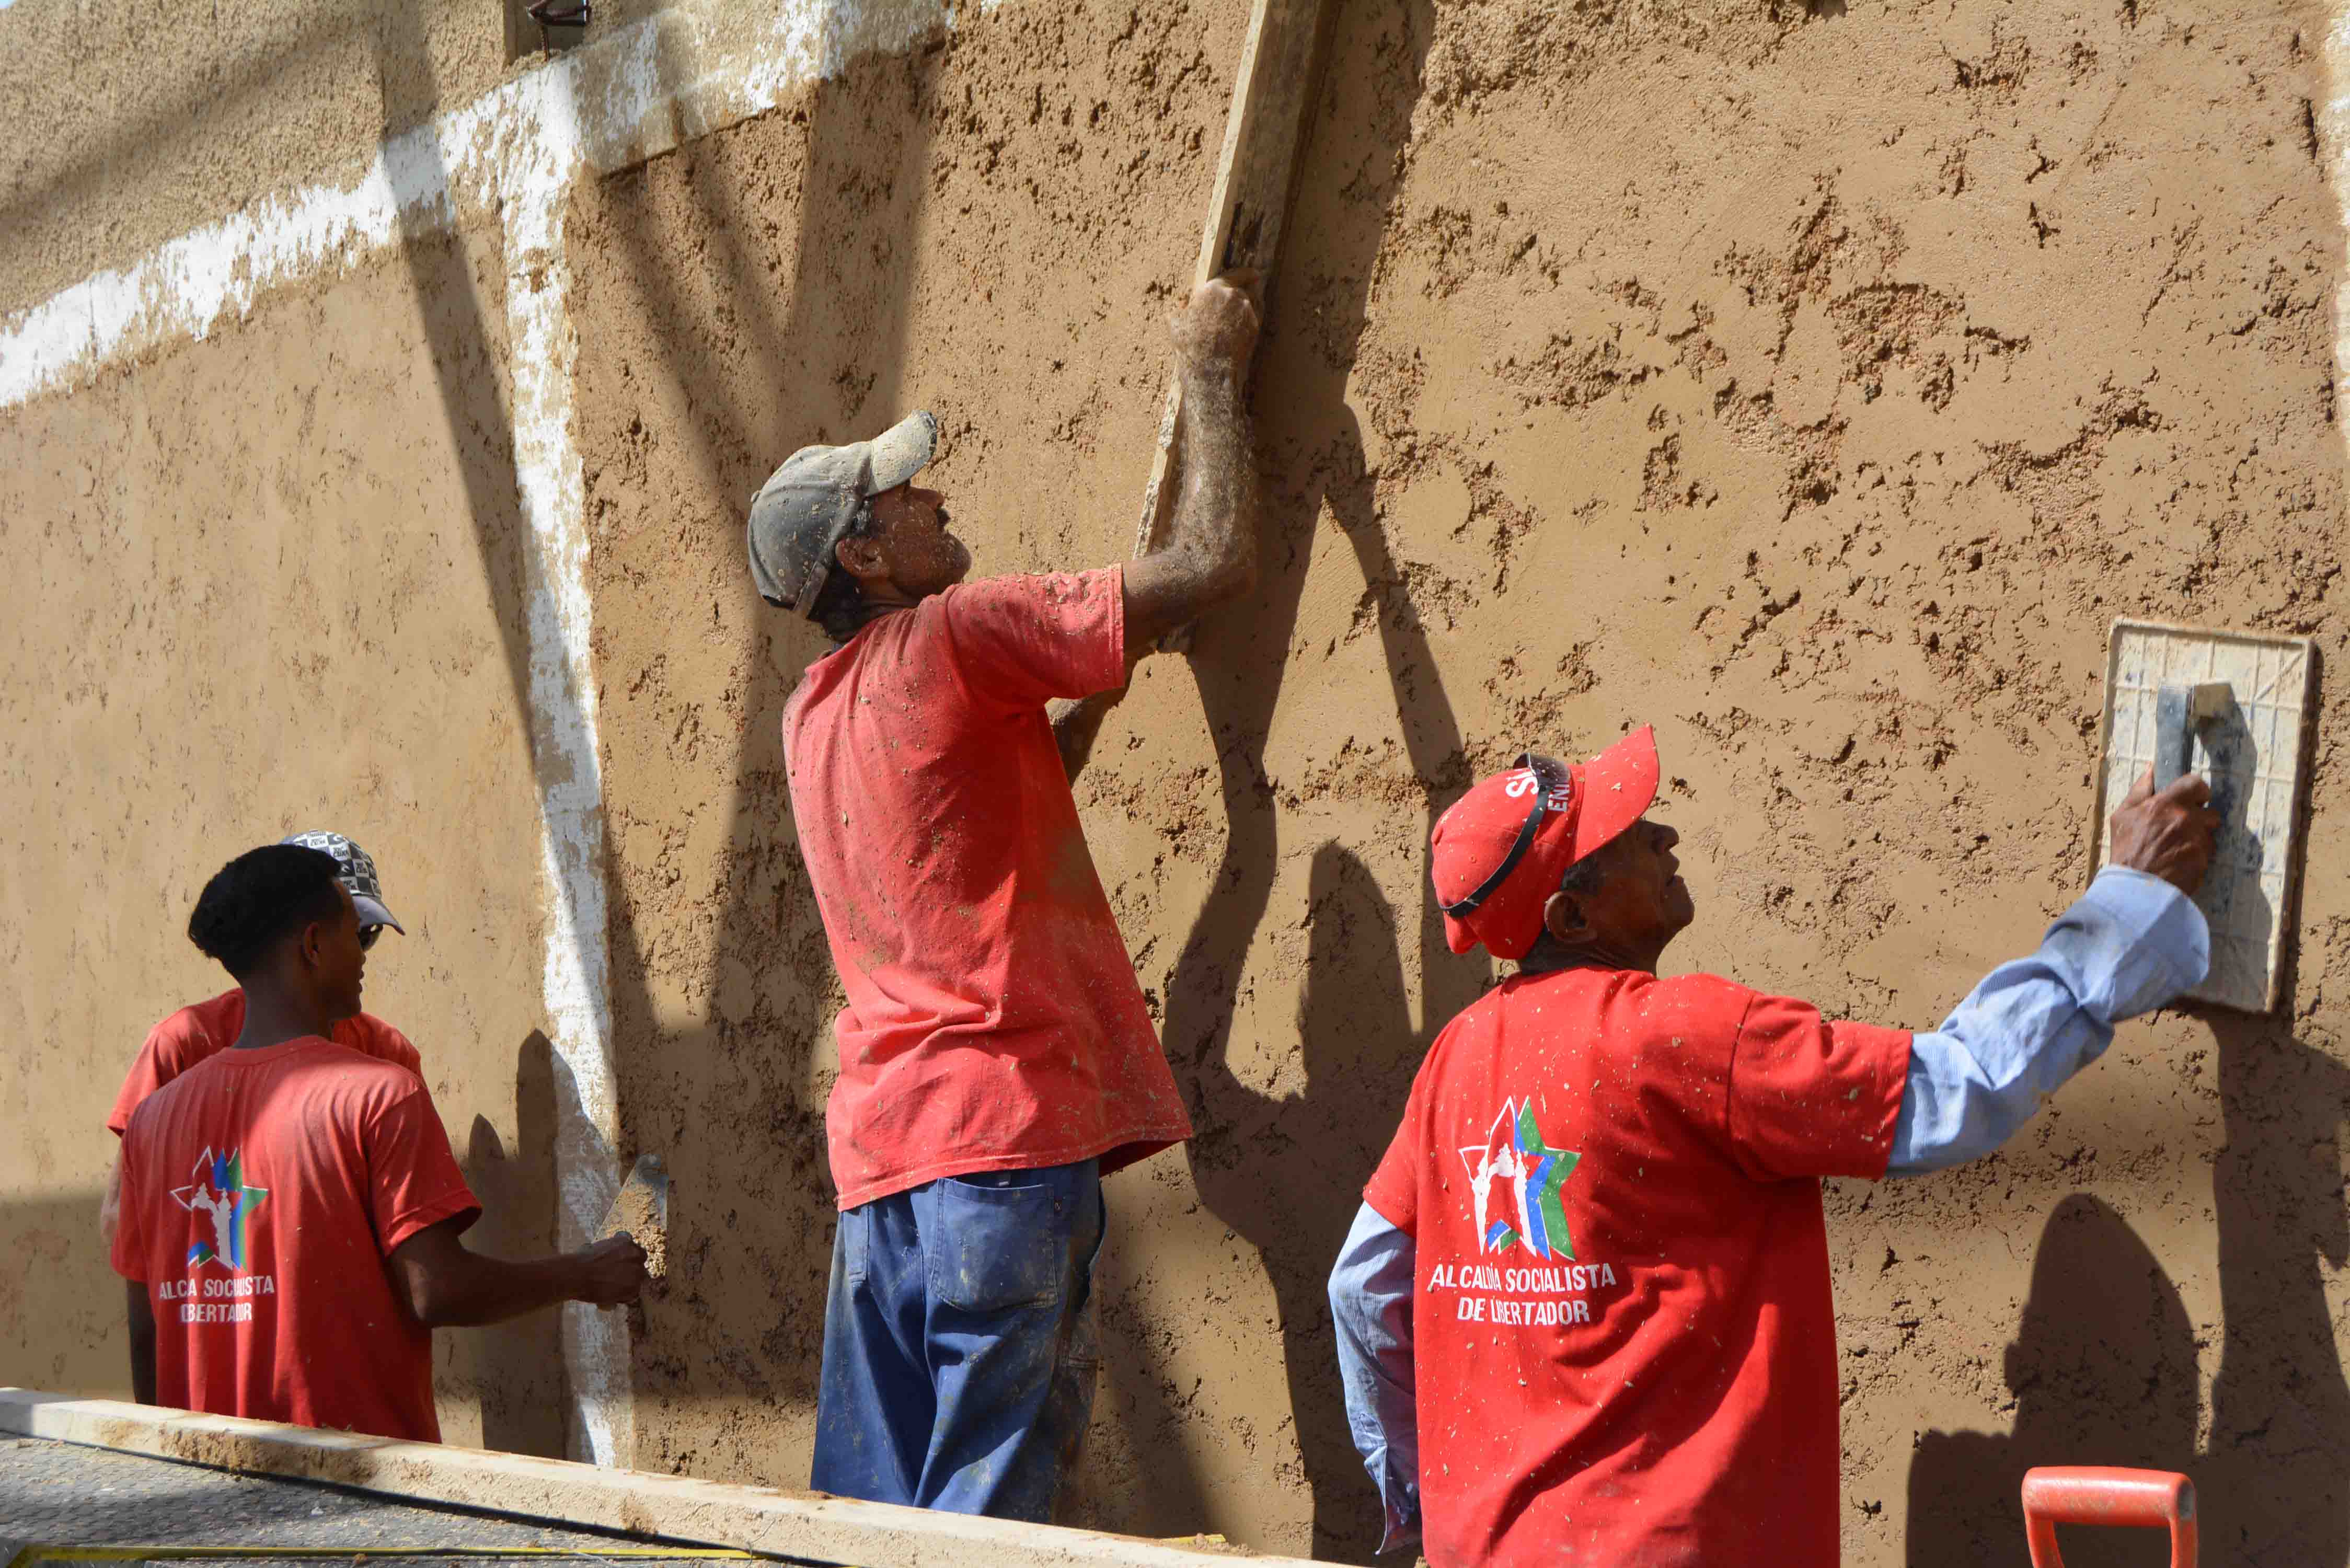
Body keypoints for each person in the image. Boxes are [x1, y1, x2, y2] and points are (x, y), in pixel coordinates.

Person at [1328, 725, 2218, 1566]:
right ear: (1570, 918)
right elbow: (1958, 1090)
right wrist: (2127, 904)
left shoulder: (1456, 1056)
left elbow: (1364, 1291)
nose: (1665, 834)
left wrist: (1422, 1506)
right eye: (1630, 835)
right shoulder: (1680, 1037)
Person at [748, 274, 1261, 1518]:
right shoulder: (961, 636)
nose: (933, 495)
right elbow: (1213, 560)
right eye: (904, 496)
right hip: (999, 1142)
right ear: (864, 555)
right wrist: (1206, 367)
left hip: (886, 1166)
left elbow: (957, 828)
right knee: (993, 1518)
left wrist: (1066, 719)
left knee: (875, 1521)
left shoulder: (813, 716)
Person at [111, 843, 647, 1441]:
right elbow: (435, 1290)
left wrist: (166, 1455)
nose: (364, 953)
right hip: (359, 1493)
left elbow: (145, 1325)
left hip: (211, 1497)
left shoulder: (153, 1122)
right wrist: (582, 1275)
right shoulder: (377, 1095)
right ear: (313, 946)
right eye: (353, 930)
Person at [101, 832, 423, 1248]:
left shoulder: (388, 1055)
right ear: (302, 941)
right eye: (348, 931)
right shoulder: (183, 1044)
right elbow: (121, 1221)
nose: (359, 952)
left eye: (368, 933)